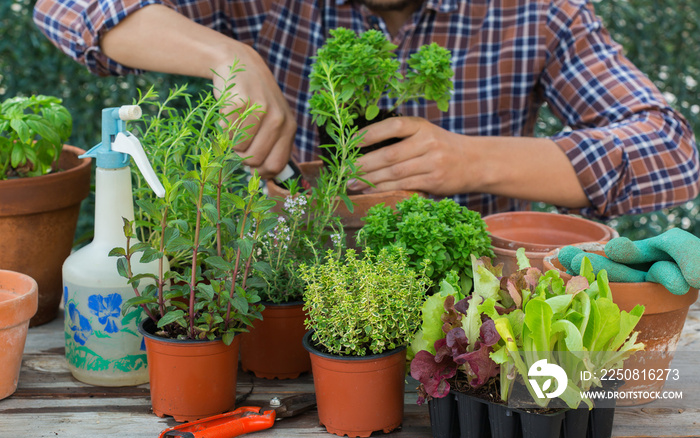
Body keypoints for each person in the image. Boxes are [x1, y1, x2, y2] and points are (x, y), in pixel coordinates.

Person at [33, 0, 700, 220]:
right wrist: (224, 56)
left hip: (469, 314)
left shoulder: (538, 13)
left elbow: (671, 149)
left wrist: (470, 160)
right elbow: (66, 6)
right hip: (279, 300)